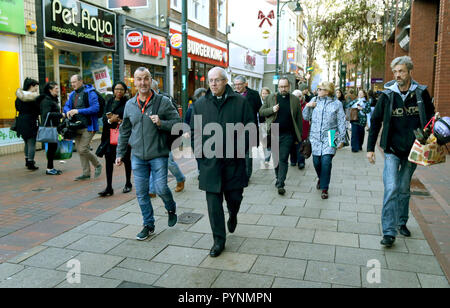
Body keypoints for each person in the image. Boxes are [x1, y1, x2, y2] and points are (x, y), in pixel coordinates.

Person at [367, 56, 434, 248]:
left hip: (413, 151)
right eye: (395, 71)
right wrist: (370, 149)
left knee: (404, 187)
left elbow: (430, 117)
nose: (397, 75)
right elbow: (376, 121)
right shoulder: (387, 95)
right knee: (391, 187)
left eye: (401, 71)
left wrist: (430, 131)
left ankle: (401, 222)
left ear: (410, 71)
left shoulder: (421, 93)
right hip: (392, 149)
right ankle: (388, 231)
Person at [190, 67, 254, 257]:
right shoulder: (200, 104)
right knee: (213, 205)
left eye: (217, 80)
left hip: (234, 163)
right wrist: (200, 157)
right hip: (211, 165)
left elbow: (251, 129)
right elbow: (195, 133)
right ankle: (219, 240)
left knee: (234, 199)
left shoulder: (240, 102)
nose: (214, 84)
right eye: (210, 80)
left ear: (226, 81)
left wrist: (240, 150)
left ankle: (233, 214)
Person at [116, 67, 181, 241]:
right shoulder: (130, 104)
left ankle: (171, 206)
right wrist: (120, 153)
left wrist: (162, 123)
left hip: (158, 153)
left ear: (152, 80)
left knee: (160, 188)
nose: (143, 82)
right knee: (142, 193)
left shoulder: (163, 102)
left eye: (146, 79)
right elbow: (124, 131)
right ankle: (148, 225)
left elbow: (178, 123)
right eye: (139, 79)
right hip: (137, 156)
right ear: (134, 81)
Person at [259, 78, 303, 195]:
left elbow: (298, 118)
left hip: (287, 135)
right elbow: (261, 112)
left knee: (283, 158)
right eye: (281, 87)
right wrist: (272, 109)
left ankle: (280, 183)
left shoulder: (294, 100)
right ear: (278, 87)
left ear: (289, 87)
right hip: (273, 132)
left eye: (285, 86)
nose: (283, 89)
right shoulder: (271, 98)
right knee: (276, 159)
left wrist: (299, 136)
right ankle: (278, 177)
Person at [303, 81, 346, 200]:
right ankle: (321, 178)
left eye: (320, 89)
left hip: (331, 135)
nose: (318, 91)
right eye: (318, 89)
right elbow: (305, 117)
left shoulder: (337, 104)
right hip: (315, 136)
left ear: (327, 91)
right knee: (316, 162)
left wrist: (342, 139)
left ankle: (325, 188)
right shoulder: (314, 100)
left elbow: (341, 121)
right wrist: (307, 106)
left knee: (326, 161)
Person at [63, 74, 102, 181]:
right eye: (71, 83)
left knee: (82, 149)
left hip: (89, 126)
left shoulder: (90, 92)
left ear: (80, 81)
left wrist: (78, 111)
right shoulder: (72, 95)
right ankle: (86, 173)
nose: (72, 85)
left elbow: (96, 108)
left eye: (74, 82)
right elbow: (66, 106)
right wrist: (67, 111)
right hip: (76, 126)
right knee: (81, 151)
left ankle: (98, 165)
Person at [150, 79, 185, 193]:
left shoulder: (166, 99)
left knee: (169, 162)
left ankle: (180, 178)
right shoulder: (145, 100)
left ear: (155, 89)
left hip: (166, 137)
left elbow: (176, 121)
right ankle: (152, 190)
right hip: (152, 137)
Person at [97, 81, 132, 197]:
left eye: (121, 89)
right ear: (113, 90)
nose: (119, 91)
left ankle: (128, 183)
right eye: (117, 89)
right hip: (108, 136)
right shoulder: (109, 102)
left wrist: (120, 121)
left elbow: (130, 119)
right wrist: (109, 120)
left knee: (126, 159)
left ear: (125, 91)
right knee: (108, 160)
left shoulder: (128, 103)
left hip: (122, 135)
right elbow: (103, 118)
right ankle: (109, 187)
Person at [233, 76, 262, 183]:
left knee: (247, 153)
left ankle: (247, 175)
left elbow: (260, 111)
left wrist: (262, 126)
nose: (237, 87)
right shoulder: (233, 95)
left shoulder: (254, 94)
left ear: (246, 84)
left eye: (239, 84)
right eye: (235, 85)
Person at [15, 78, 40, 170]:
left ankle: (27, 161)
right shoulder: (33, 98)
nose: (37, 89)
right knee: (32, 143)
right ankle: (31, 163)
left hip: (21, 121)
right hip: (31, 121)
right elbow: (38, 110)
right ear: (31, 86)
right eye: (36, 86)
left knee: (26, 142)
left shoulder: (19, 97)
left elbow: (17, 108)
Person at [40, 82, 64, 175]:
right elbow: (47, 114)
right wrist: (61, 115)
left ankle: (50, 167)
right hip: (50, 128)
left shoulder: (52, 99)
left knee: (52, 147)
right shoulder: (47, 100)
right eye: (56, 88)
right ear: (50, 90)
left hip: (54, 127)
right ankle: (49, 168)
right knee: (51, 148)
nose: (58, 90)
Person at [290, 89, 310, 170]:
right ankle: (293, 160)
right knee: (292, 145)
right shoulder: (290, 104)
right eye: (296, 96)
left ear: (302, 97)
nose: (298, 98)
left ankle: (301, 162)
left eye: (300, 96)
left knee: (301, 145)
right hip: (292, 128)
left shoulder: (306, 105)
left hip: (303, 128)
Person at [259, 87, 272, 166]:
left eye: (266, 93)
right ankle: (266, 156)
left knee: (269, 141)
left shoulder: (271, 102)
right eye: (263, 93)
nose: (264, 95)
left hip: (269, 124)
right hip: (261, 124)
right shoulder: (259, 102)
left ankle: (267, 158)